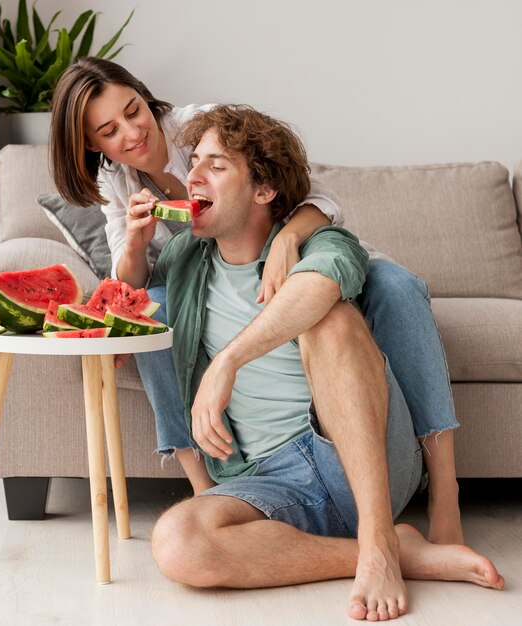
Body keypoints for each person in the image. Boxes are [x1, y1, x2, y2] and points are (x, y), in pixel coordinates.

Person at [50, 57, 462, 544]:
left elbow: (317, 198)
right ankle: (207, 487)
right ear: (91, 144)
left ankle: (445, 497)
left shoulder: (200, 129)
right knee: (155, 306)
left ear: (144, 95)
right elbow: (130, 275)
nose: (133, 132)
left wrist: (289, 239)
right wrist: (137, 245)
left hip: (301, 240)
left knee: (392, 288)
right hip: (212, 266)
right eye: (109, 130)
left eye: (134, 110)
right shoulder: (115, 182)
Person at [147, 104, 504, 621]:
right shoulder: (181, 256)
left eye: (216, 165)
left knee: (331, 320)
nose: (192, 176)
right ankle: (396, 552)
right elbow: (133, 309)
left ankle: (379, 537)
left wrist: (227, 362)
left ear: (264, 190)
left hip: (360, 457)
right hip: (265, 477)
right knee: (177, 542)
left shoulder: (322, 240)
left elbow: (320, 286)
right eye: (194, 161)